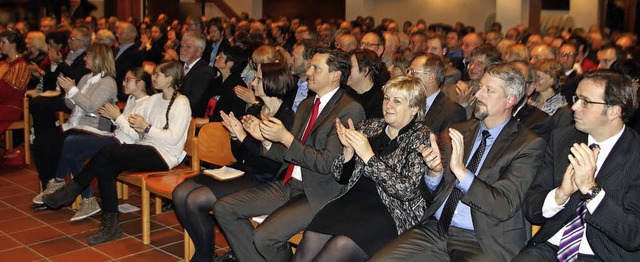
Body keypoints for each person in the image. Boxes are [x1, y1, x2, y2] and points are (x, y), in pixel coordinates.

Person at [371, 63, 546, 261]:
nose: (478, 95)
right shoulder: (460, 129)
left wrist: (462, 173)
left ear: (510, 100)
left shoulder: (527, 144)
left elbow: (503, 205)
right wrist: (434, 173)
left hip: (481, 240)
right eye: (480, 87)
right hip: (437, 229)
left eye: (488, 91)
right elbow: (430, 194)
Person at [213, 48, 366, 262]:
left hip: (317, 193)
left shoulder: (350, 109)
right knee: (224, 208)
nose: (309, 72)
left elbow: (326, 164)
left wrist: (284, 137)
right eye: (310, 66)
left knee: (265, 237)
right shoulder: (306, 105)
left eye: (316, 68)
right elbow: (288, 154)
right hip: (288, 183)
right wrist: (265, 140)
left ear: (335, 75)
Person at [42, 61, 192, 246]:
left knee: (108, 151)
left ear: (169, 79)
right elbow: (137, 134)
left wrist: (146, 127)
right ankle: (110, 226)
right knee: (106, 166)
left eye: (158, 75)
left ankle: (73, 189)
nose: (153, 77)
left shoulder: (181, 103)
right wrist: (137, 126)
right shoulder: (155, 99)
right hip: (146, 147)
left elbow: (173, 139)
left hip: (164, 156)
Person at [294, 76, 436, 261]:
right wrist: (348, 151)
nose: (388, 105)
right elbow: (340, 176)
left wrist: (369, 157)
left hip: (389, 211)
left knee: (339, 246)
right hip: (352, 200)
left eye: (397, 101)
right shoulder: (369, 126)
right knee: (310, 238)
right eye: (386, 98)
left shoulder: (421, 137)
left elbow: (407, 190)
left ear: (414, 109)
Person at [173, 62, 295, 262]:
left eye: (258, 79)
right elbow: (240, 155)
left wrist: (243, 136)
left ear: (273, 82)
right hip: (240, 170)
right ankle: (206, 251)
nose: (253, 82)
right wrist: (235, 137)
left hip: (262, 178)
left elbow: (274, 164)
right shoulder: (256, 110)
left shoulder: (287, 118)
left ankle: (204, 256)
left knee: (196, 199)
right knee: (180, 194)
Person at [515, 71, 640, 261]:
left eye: (585, 102)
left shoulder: (636, 155)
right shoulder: (563, 139)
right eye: (576, 98)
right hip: (550, 248)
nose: (574, 107)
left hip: (603, 255)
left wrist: (591, 190)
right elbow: (531, 208)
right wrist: (560, 194)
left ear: (614, 110)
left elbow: (633, 234)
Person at [33, 68, 152, 221]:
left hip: (123, 145)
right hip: (115, 137)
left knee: (71, 143)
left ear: (141, 83)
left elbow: (136, 136)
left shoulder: (146, 104)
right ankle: (86, 199)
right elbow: (122, 127)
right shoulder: (131, 99)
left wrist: (118, 117)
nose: (123, 83)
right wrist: (114, 117)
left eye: (127, 79)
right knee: (72, 146)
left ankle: (59, 182)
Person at [32, 43, 118, 206]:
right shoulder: (86, 78)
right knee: (40, 143)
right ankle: (50, 186)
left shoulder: (108, 82)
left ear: (98, 58)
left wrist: (73, 90)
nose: (85, 58)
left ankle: (59, 188)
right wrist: (68, 92)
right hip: (75, 125)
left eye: (88, 55)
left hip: (94, 129)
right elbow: (72, 106)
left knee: (63, 144)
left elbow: (91, 106)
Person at [406, 53, 466, 133]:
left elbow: (446, 145)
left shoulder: (452, 112)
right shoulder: (405, 102)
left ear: (431, 77)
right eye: (408, 71)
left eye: (413, 72)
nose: (407, 76)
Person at [196, 45, 248, 126]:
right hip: (205, 126)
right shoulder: (215, 81)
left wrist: (207, 120)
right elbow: (201, 104)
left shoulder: (239, 87)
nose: (216, 57)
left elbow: (232, 116)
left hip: (220, 130)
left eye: (221, 57)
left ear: (230, 64)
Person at [0, 29, 30, 136]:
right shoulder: (4, 63)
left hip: (11, 108)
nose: (0, 45)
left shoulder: (21, 66)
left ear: (13, 44)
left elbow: (8, 93)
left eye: (3, 42)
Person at [345, 48, 385, 119]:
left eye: (350, 67)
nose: (346, 70)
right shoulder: (344, 94)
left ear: (365, 71)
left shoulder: (380, 99)